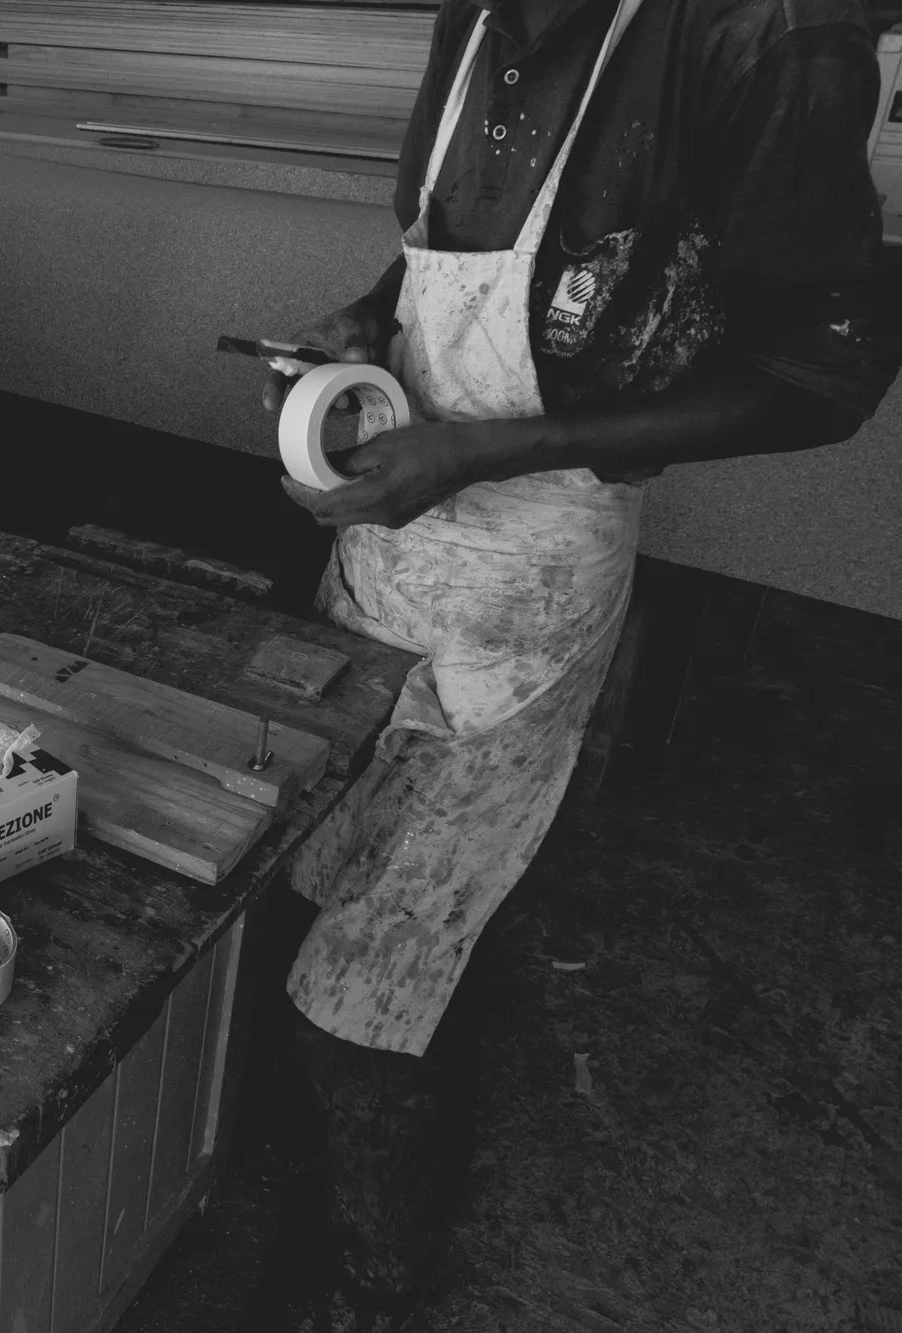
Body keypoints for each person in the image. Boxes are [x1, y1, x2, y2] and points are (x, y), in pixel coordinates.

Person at [258, 0, 898, 1321]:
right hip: (390, 544)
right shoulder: (473, 20)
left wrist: (482, 453)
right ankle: (340, 1154)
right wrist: (362, 327)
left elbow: (826, 374)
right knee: (321, 873)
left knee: (365, 980)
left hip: (527, 576)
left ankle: (378, 1283)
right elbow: (434, 258)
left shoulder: (753, 34)